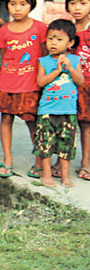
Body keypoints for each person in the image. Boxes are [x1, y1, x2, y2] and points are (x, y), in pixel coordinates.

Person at [0, 0, 47, 178]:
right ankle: (7, 160)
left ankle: (38, 162)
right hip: (7, 83)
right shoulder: (4, 31)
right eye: (13, 4)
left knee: (32, 123)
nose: (17, 8)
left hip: (30, 84)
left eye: (23, 4)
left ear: (31, 5)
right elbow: (5, 56)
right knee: (5, 120)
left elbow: (45, 56)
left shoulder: (40, 29)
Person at [34, 19, 84, 187]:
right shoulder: (44, 61)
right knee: (45, 143)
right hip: (47, 110)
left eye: (59, 39)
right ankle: (47, 174)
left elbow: (80, 81)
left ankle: (65, 176)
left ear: (70, 43)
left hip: (68, 110)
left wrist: (69, 68)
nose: (53, 42)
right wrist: (56, 70)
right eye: (50, 38)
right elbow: (40, 82)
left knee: (66, 144)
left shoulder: (75, 61)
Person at [65, 0, 90, 181]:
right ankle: (61, 161)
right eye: (73, 3)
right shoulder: (66, 30)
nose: (77, 8)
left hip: (87, 84)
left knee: (86, 125)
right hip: (66, 84)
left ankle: (86, 163)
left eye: (83, 3)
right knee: (66, 123)